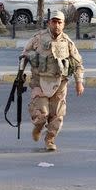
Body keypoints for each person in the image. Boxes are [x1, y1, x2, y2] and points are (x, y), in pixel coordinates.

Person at [21, 11, 85, 151]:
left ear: (63, 24)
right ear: (49, 23)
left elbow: (78, 63)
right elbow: (24, 54)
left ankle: (50, 139)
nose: (56, 25)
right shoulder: (38, 38)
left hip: (60, 83)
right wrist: (20, 75)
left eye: (59, 22)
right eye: (54, 22)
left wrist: (79, 82)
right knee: (42, 114)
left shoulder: (67, 42)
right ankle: (38, 127)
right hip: (40, 81)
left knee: (57, 116)